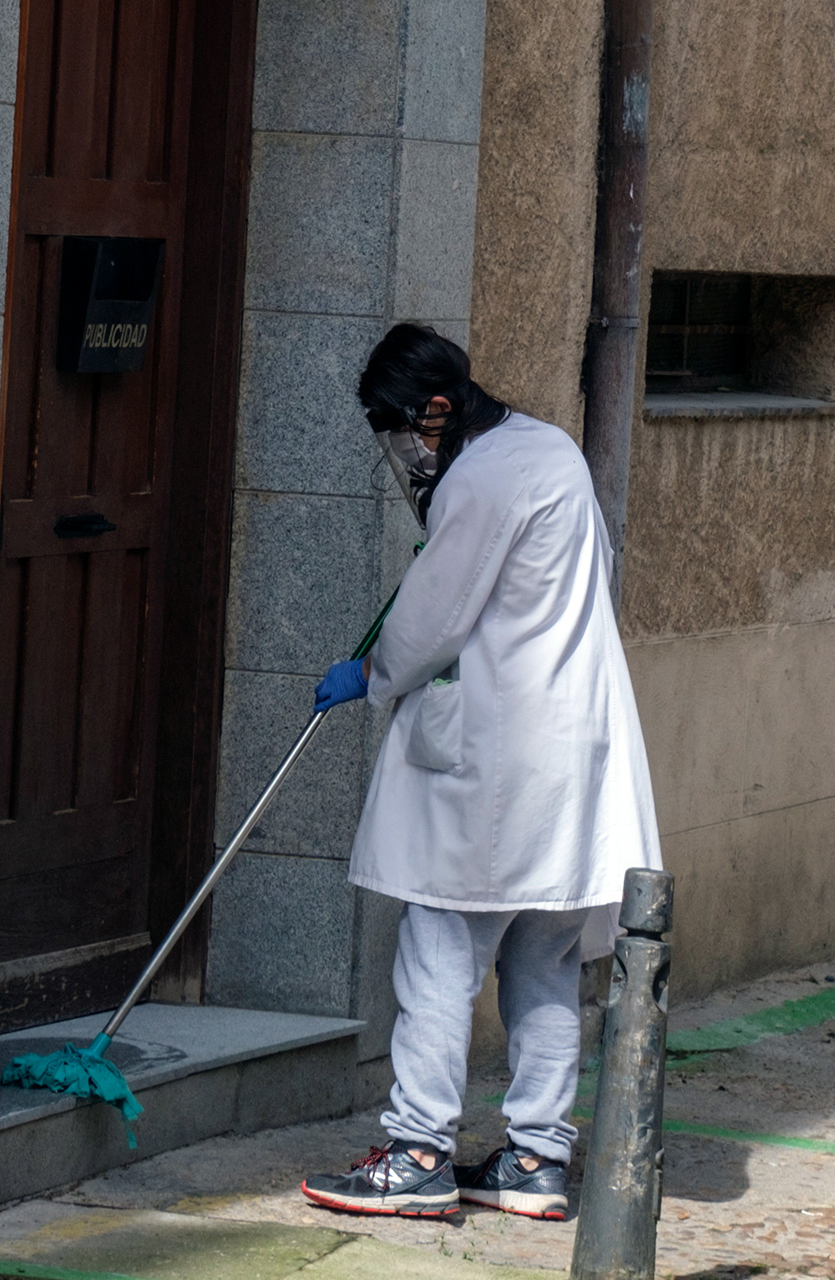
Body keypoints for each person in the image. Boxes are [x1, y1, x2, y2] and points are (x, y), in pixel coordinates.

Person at [299, 324, 663, 1221]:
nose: (404, 452)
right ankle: (537, 1159)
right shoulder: (547, 449)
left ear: (435, 411)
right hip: (568, 759)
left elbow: (430, 622)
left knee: (437, 955)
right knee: (543, 962)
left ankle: (418, 1150)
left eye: (402, 429)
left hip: (500, 764)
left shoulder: (481, 477)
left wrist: (375, 674)